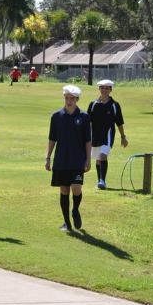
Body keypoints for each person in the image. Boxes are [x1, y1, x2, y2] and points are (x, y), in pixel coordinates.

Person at [46, 85, 91, 232]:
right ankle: (67, 223)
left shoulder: (84, 117)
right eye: (67, 98)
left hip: (78, 160)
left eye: (72, 98)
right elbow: (52, 139)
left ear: (77, 99)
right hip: (61, 160)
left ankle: (75, 210)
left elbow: (87, 141)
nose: (69, 101)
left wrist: (88, 159)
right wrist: (48, 157)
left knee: (76, 188)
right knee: (64, 190)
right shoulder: (56, 116)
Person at [87, 79, 128, 190]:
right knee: (97, 159)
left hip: (108, 135)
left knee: (102, 156)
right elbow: (88, 122)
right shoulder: (93, 104)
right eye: (102, 87)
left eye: (107, 88)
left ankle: (102, 181)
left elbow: (119, 122)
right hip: (94, 136)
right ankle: (99, 180)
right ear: (99, 89)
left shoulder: (115, 105)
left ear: (110, 90)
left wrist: (123, 137)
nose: (104, 90)